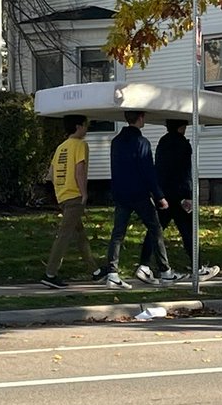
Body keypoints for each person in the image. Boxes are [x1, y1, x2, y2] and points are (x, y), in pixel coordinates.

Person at [104, 111, 186, 288]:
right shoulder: (142, 142)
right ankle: (165, 270)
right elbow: (148, 172)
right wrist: (159, 196)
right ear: (140, 118)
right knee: (155, 230)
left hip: (121, 193)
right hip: (139, 194)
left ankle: (112, 272)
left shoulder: (116, 142)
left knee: (118, 233)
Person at [137, 119, 221, 284]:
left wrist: (158, 193)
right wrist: (188, 195)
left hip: (164, 194)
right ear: (181, 127)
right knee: (188, 232)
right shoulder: (182, 144)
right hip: (179, 195)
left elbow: (160, 168)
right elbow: (184, 172)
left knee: (156, 230)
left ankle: (144, 264)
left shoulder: (163, 142)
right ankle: (197, 267)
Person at [41, 114, 105, 289]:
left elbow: (51, 174)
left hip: (62, 195)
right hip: (74, 195)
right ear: (78, 127)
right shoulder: (80, 145)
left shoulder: (61, 147)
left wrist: (59, 192)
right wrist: (84, 193)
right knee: (64, 235)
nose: (86, 129)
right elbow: (80, 171)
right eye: (85, 126)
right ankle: (50, 273)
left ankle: (95, 271)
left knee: (80, 236)